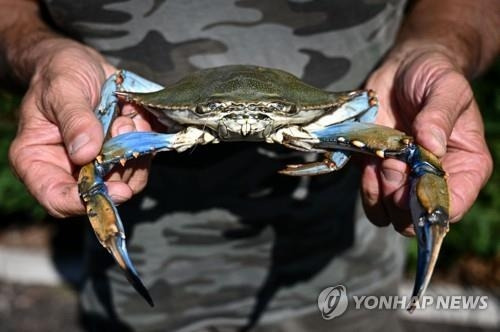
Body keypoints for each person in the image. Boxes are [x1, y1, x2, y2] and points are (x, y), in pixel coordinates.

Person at [1, 0, 498, 331]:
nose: (242, 123)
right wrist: (43, 53)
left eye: (264, 115)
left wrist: (439, 46)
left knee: (417, 152)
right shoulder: (146, 104)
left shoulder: (349, 111)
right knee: (95, 172)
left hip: (341, 288)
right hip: (131, 300)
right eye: (218, 114)